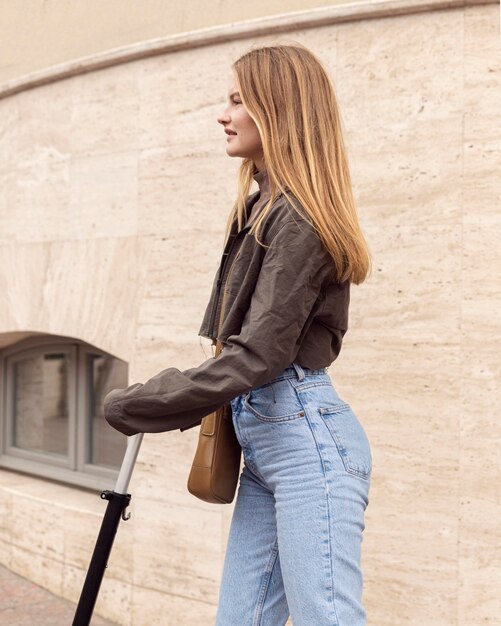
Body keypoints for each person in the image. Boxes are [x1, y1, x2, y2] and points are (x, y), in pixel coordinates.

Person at [104, 42, 373, 626]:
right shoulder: (260, 209)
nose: (222, 115)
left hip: (308, 445)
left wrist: (148, 400)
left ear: (278, 109)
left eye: (237, 100)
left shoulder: (300, 219)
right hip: (269, 446)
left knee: (327, 618)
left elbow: (257, 355)